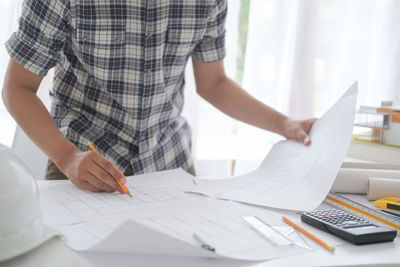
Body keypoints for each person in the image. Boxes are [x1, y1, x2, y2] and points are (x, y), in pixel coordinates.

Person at [2, 0, 316, 194]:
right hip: (84, 166)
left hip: (170, 165)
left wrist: (286, 124)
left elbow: (214, 83)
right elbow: (17, 88)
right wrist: (67, 157)